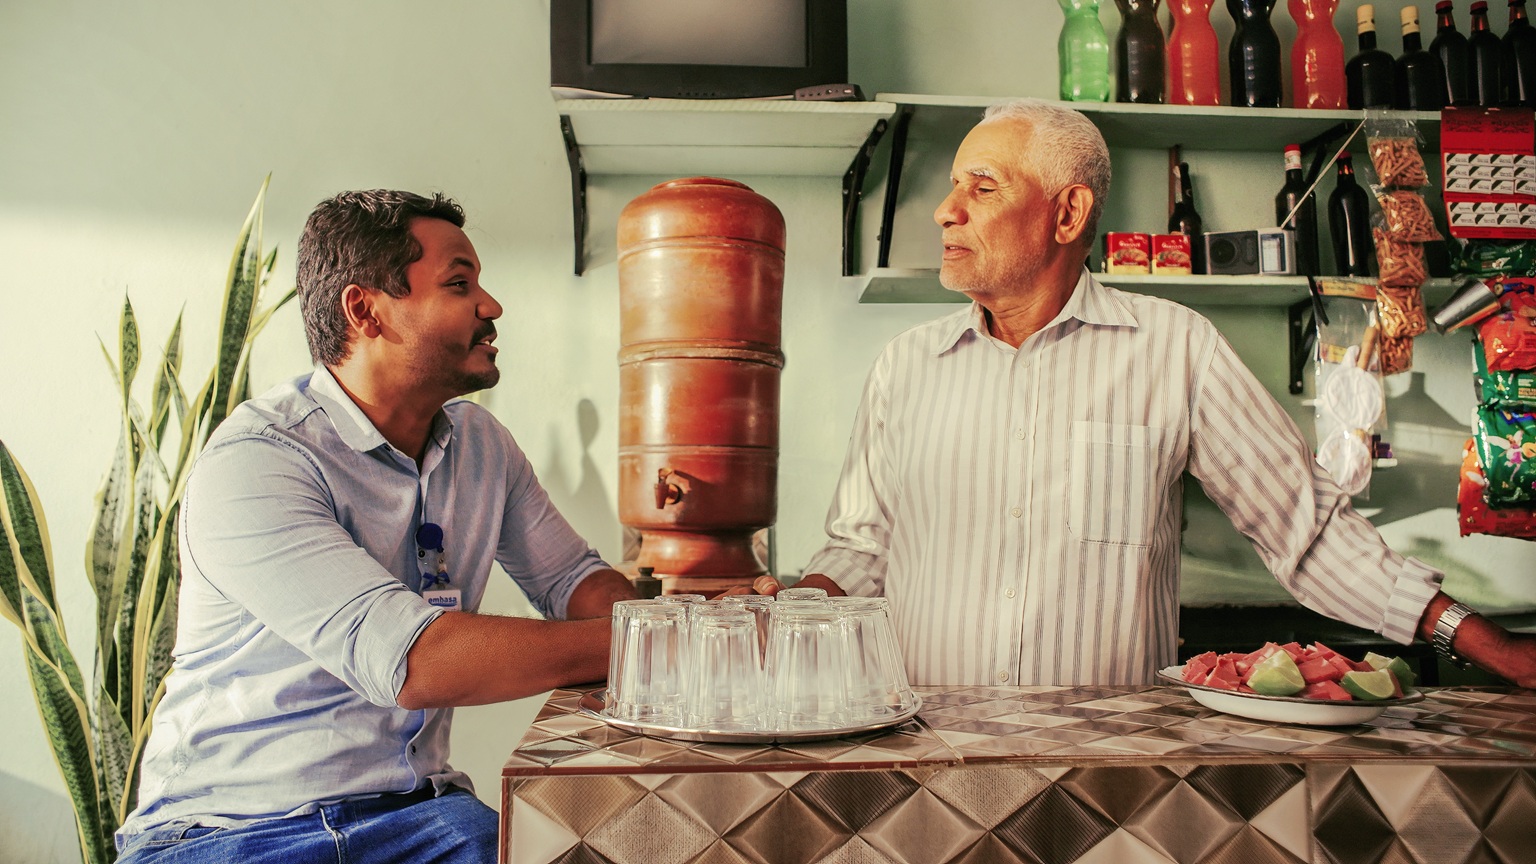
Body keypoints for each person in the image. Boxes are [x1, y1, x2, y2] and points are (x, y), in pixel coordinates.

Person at [750, 98, 1536, 690]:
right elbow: (862, 550)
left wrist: (1489, 644)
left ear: (1068, 212)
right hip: (930, 747)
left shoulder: (1175, 349)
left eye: (981, 187)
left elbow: (1308, 532)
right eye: (954, 186)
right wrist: (788, 602)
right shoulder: (906, 366)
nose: (945, 209)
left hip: (1118, 767)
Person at [114, 190, 635, 863]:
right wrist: (645, 644)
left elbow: (574, 580)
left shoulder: (481, 447)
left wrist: (691, 642)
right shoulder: (259, 461)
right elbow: (412, 661)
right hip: (232, 832)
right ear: (364, 310)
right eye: (459, 283)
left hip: (420, 817)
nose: (491, 305)